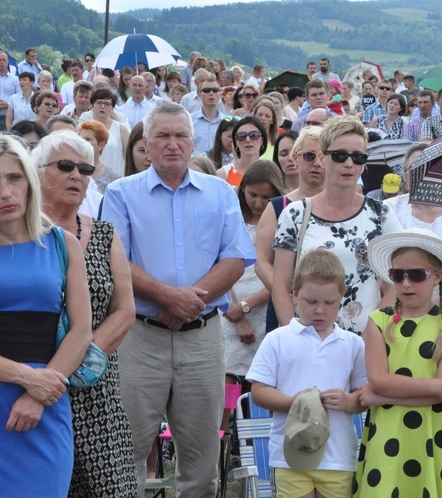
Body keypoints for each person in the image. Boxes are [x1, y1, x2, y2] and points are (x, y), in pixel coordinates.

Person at [100, 101, 255, 497]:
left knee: (201, 461)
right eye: (163, 136)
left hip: (202, 341)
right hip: (139, 339)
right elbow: (114, 259)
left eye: (181, 135)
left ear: (193, 143)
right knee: (127, 454)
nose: (173, 144)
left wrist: (188, 302)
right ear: (146, 145)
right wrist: (169, 297)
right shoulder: (120, 194)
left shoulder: (220, 193)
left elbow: (236, 258)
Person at [0, 135, 93, 496]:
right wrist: (28, 378)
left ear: (30, 182)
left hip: (48, 401)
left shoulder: (63, 243)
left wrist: (39, 393)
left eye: (14, 178)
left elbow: (82, 332)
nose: (5, 192)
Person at [32, 131, 137, 496]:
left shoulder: (105, 234)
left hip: (94, 381)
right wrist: (51, 375)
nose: (77, 175)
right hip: (32, 379)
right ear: (38, 171)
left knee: (108, 487)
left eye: (85, 168)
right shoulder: (16, 234)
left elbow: (124, 310)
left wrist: (79, 361)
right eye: (65, 166)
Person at [353, 229, 442, 497]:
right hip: (388, 434)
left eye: (416, 275)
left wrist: (383, 397)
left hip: (433, 433)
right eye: (397, 275)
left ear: (437, 276)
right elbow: (379, 380)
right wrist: (433, 387)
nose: (406, 283)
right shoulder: (377, 322)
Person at [247, 248, 366, 497]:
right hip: (289, 455)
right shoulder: (277, 339)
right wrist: (295, 403)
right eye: (311, 302)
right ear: (294, 293)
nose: (320, 310)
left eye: (329, 303)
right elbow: (258, 391)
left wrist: (346, 401)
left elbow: (363, 398)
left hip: (338, 457)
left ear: (342, 297)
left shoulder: (353, 343)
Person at [273, 117, 402, 335]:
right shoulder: (294, 214)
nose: (349, 164)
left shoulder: (381, 215)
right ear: (322, 158)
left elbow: (397, 282)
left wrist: (374, 334)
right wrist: (292, 338)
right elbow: (280, 285)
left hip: (364, 345)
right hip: (307, 339)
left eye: (358, 157)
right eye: (340, 155)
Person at [255, 126, 325, 333]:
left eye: (324, 156)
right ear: (296, 157)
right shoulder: (278, 205)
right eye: (309, 155)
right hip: (286, 304)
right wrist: (285, 294)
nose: (317, 163)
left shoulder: (344, 206)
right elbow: (261, 261)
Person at [222, 161, 283, 393]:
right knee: (228, 379)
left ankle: (254, 429)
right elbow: (220, 266)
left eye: (266, 198)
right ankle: (224, 430)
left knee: (262, 382)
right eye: (253, 195)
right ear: (242, 189)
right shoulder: (232, 219)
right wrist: (237, 312)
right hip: (229, 307)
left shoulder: (283, 222)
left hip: (266, 306)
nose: (258, 203)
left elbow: (283, 275)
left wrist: (247, 307)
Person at [384, 142, 442, 234]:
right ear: (405, 176)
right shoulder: (389, 209)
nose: (422, 173)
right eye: (415, 166)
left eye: (428, 166)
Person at [87, 88, 129, 177]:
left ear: (112, 107)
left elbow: (129, 158)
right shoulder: (85, 128)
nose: (102, 107)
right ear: (92, 106)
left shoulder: (121, 129)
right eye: (99, 103)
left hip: (116, 179)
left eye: (106, 104)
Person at [217, 116, 267, 187]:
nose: (248, 140)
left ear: (262, 140)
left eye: (254, 135)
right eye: (241, 136)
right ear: (236, 142)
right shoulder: (223, 174)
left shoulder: (271, 173)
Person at [77, 120, 121, 193]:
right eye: (80, 139)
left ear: (101, 145)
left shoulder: (113, 178)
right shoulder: (70, 169)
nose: (82, 143)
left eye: (87, 139)